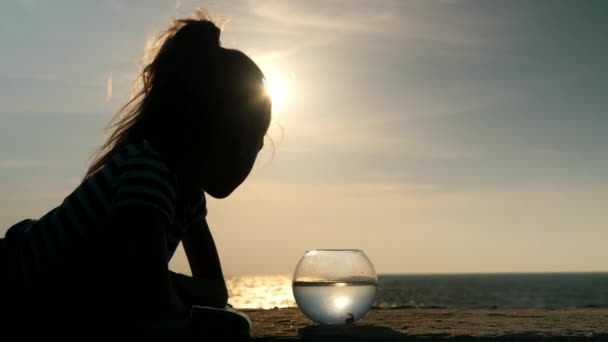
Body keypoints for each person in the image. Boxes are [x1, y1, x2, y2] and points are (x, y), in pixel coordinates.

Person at [0, 11, 271, 339]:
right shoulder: (149, 171)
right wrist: (166, 287)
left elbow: (213, 291)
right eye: (251, 143)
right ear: (214, 131)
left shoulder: (188, 196)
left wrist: (160, 281)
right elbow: (150, 296)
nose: (248, 158)